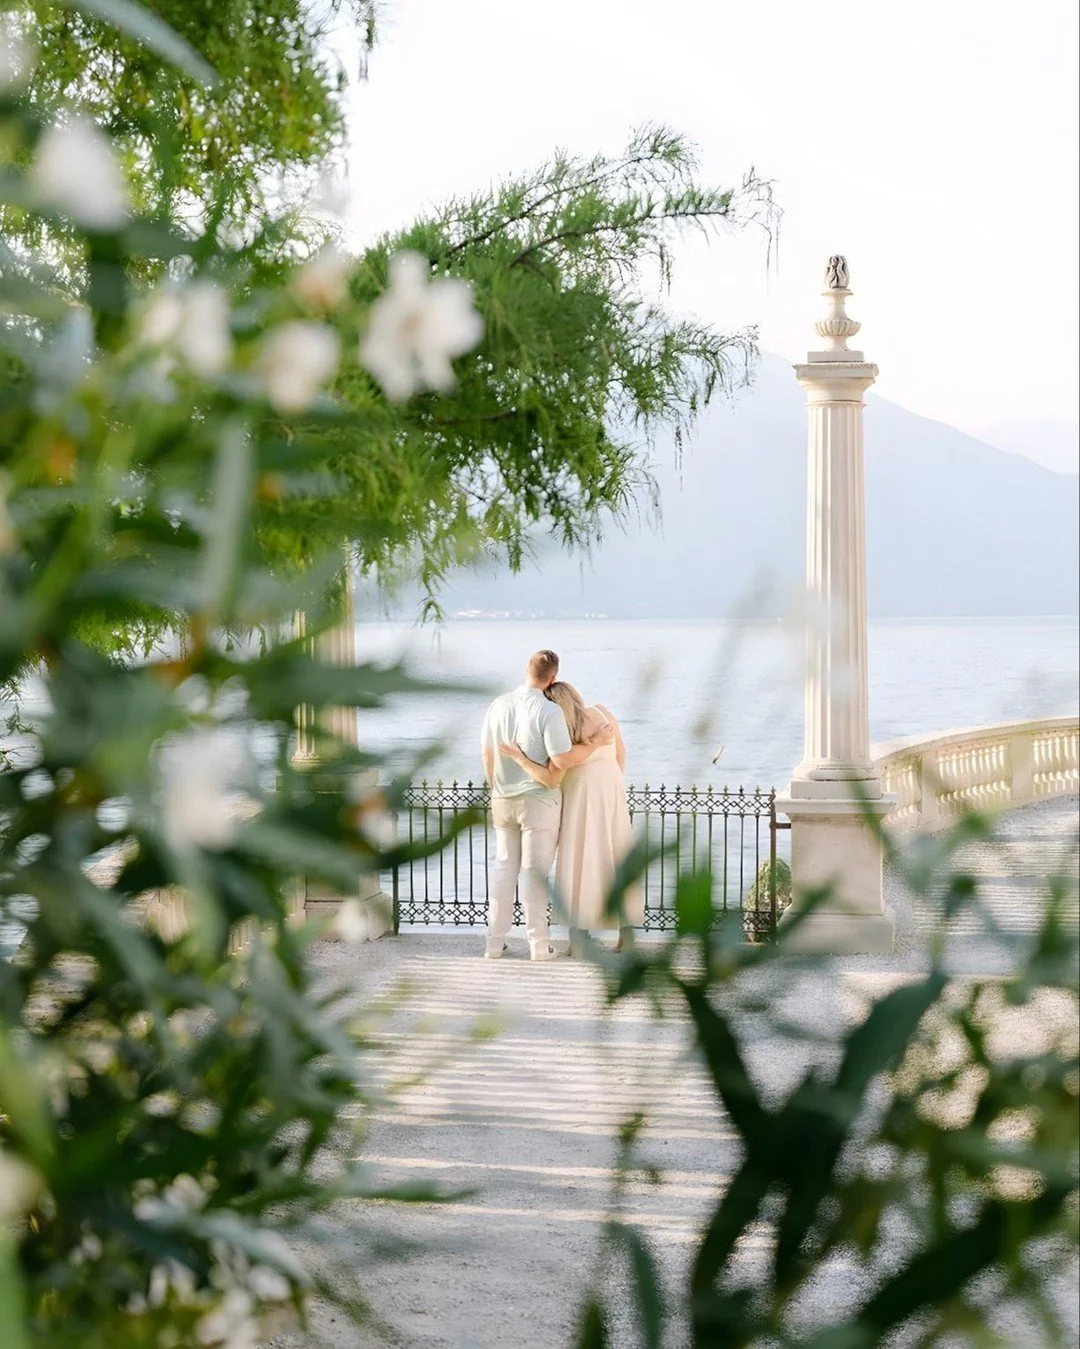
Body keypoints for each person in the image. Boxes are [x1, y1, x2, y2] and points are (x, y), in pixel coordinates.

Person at [480, 651, 611, 961]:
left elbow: (487, 754)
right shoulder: (549, 711)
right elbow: (561, 760)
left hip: (502, 798)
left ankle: (494, 943)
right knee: (535, 873)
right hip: (539, 800)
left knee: (503, 869)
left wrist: (496, 787)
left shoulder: (497, 705)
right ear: (553, 678)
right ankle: (539, 945)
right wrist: (594, 743)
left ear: (526, 670)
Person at [499, 682, 642, 949]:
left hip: (580, 801)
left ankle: (580, 939)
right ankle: (626, 934)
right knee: (617, 860)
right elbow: (621, 755)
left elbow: (553, 773)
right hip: (612, 797)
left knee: (581, 861)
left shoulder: (564, 733)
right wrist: (608, 784)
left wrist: (520, 758)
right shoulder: (603, 713)